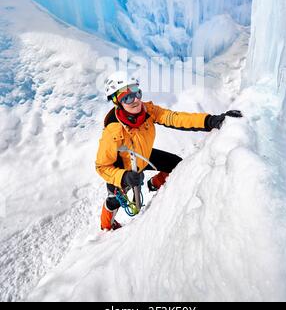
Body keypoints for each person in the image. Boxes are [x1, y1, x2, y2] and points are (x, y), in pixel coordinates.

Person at [95, 71, 242, 231]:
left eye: (137, 93)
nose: (136, 100)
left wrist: (210, 120)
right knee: (114, 201)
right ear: (117, 102)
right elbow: (102, 167)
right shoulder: (112, 132)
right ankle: (106, 228)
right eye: (128, 97)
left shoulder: (148, 111)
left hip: (142, 156)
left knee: (176, 165)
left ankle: (155, 184)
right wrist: (124, 177)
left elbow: (175, 117)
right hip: (123, 170)